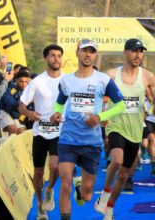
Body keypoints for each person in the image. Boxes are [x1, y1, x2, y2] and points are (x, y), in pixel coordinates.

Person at [50, 39, 125, 220]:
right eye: (85, 51)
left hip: (91, 143)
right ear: (77, 53)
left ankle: (81, 190)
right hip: (68, 139)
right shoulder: (66, 80)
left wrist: (100, 117)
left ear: (95, 55)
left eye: (92, 51)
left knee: (87, 194)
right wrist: (56, 113)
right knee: (65, 183)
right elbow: (59, 104)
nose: (88, 54)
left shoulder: (104, 80)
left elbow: (121, 105)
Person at [94, 38, 155, 220]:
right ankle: (105, 194)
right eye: (134, 51)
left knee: (123, 176)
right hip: (115, 126)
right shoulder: (112, 75)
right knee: (117, 160)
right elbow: (98, 97)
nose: (138, 55)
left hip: (135, 129)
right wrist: (102, 115)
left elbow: (154, 103)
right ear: (125, 52)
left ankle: (109, 208)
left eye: (141, 51)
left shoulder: (147, 76)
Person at [18, 44, 64, 219]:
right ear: (46, 58)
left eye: (59, 55)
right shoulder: (37, 82)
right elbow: (21, 105)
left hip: (59, 131)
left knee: (55, 166)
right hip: (40, 132)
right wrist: (29, 113)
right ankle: (39, 203)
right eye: (52, 55)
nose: (56, 59)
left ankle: (50, 188)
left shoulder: (67, 80)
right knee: (38, 172)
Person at [0, 70, 32, 135]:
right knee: (13, 129)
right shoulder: (11, 89)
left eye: (26, 82)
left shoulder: (30, 91)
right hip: (4, 111)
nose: (23, 84)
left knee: (21, 132)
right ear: (16, 80)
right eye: (21, 81)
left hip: (15, 114)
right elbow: (10, 103)